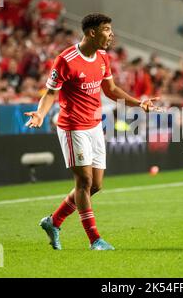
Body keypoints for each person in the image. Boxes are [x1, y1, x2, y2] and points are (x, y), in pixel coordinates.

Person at [24, 13, 161, 251]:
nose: (111, 34)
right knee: (84, 181)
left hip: (95, 125)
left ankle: (53, 221)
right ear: (92, 33)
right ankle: (95, 239)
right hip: (72, 126)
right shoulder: (66, 60)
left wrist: (139, 103)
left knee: (96, 185)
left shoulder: (102, 58)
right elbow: (50, 93)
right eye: (107, 29)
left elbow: (111, 90)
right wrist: (40, 114)